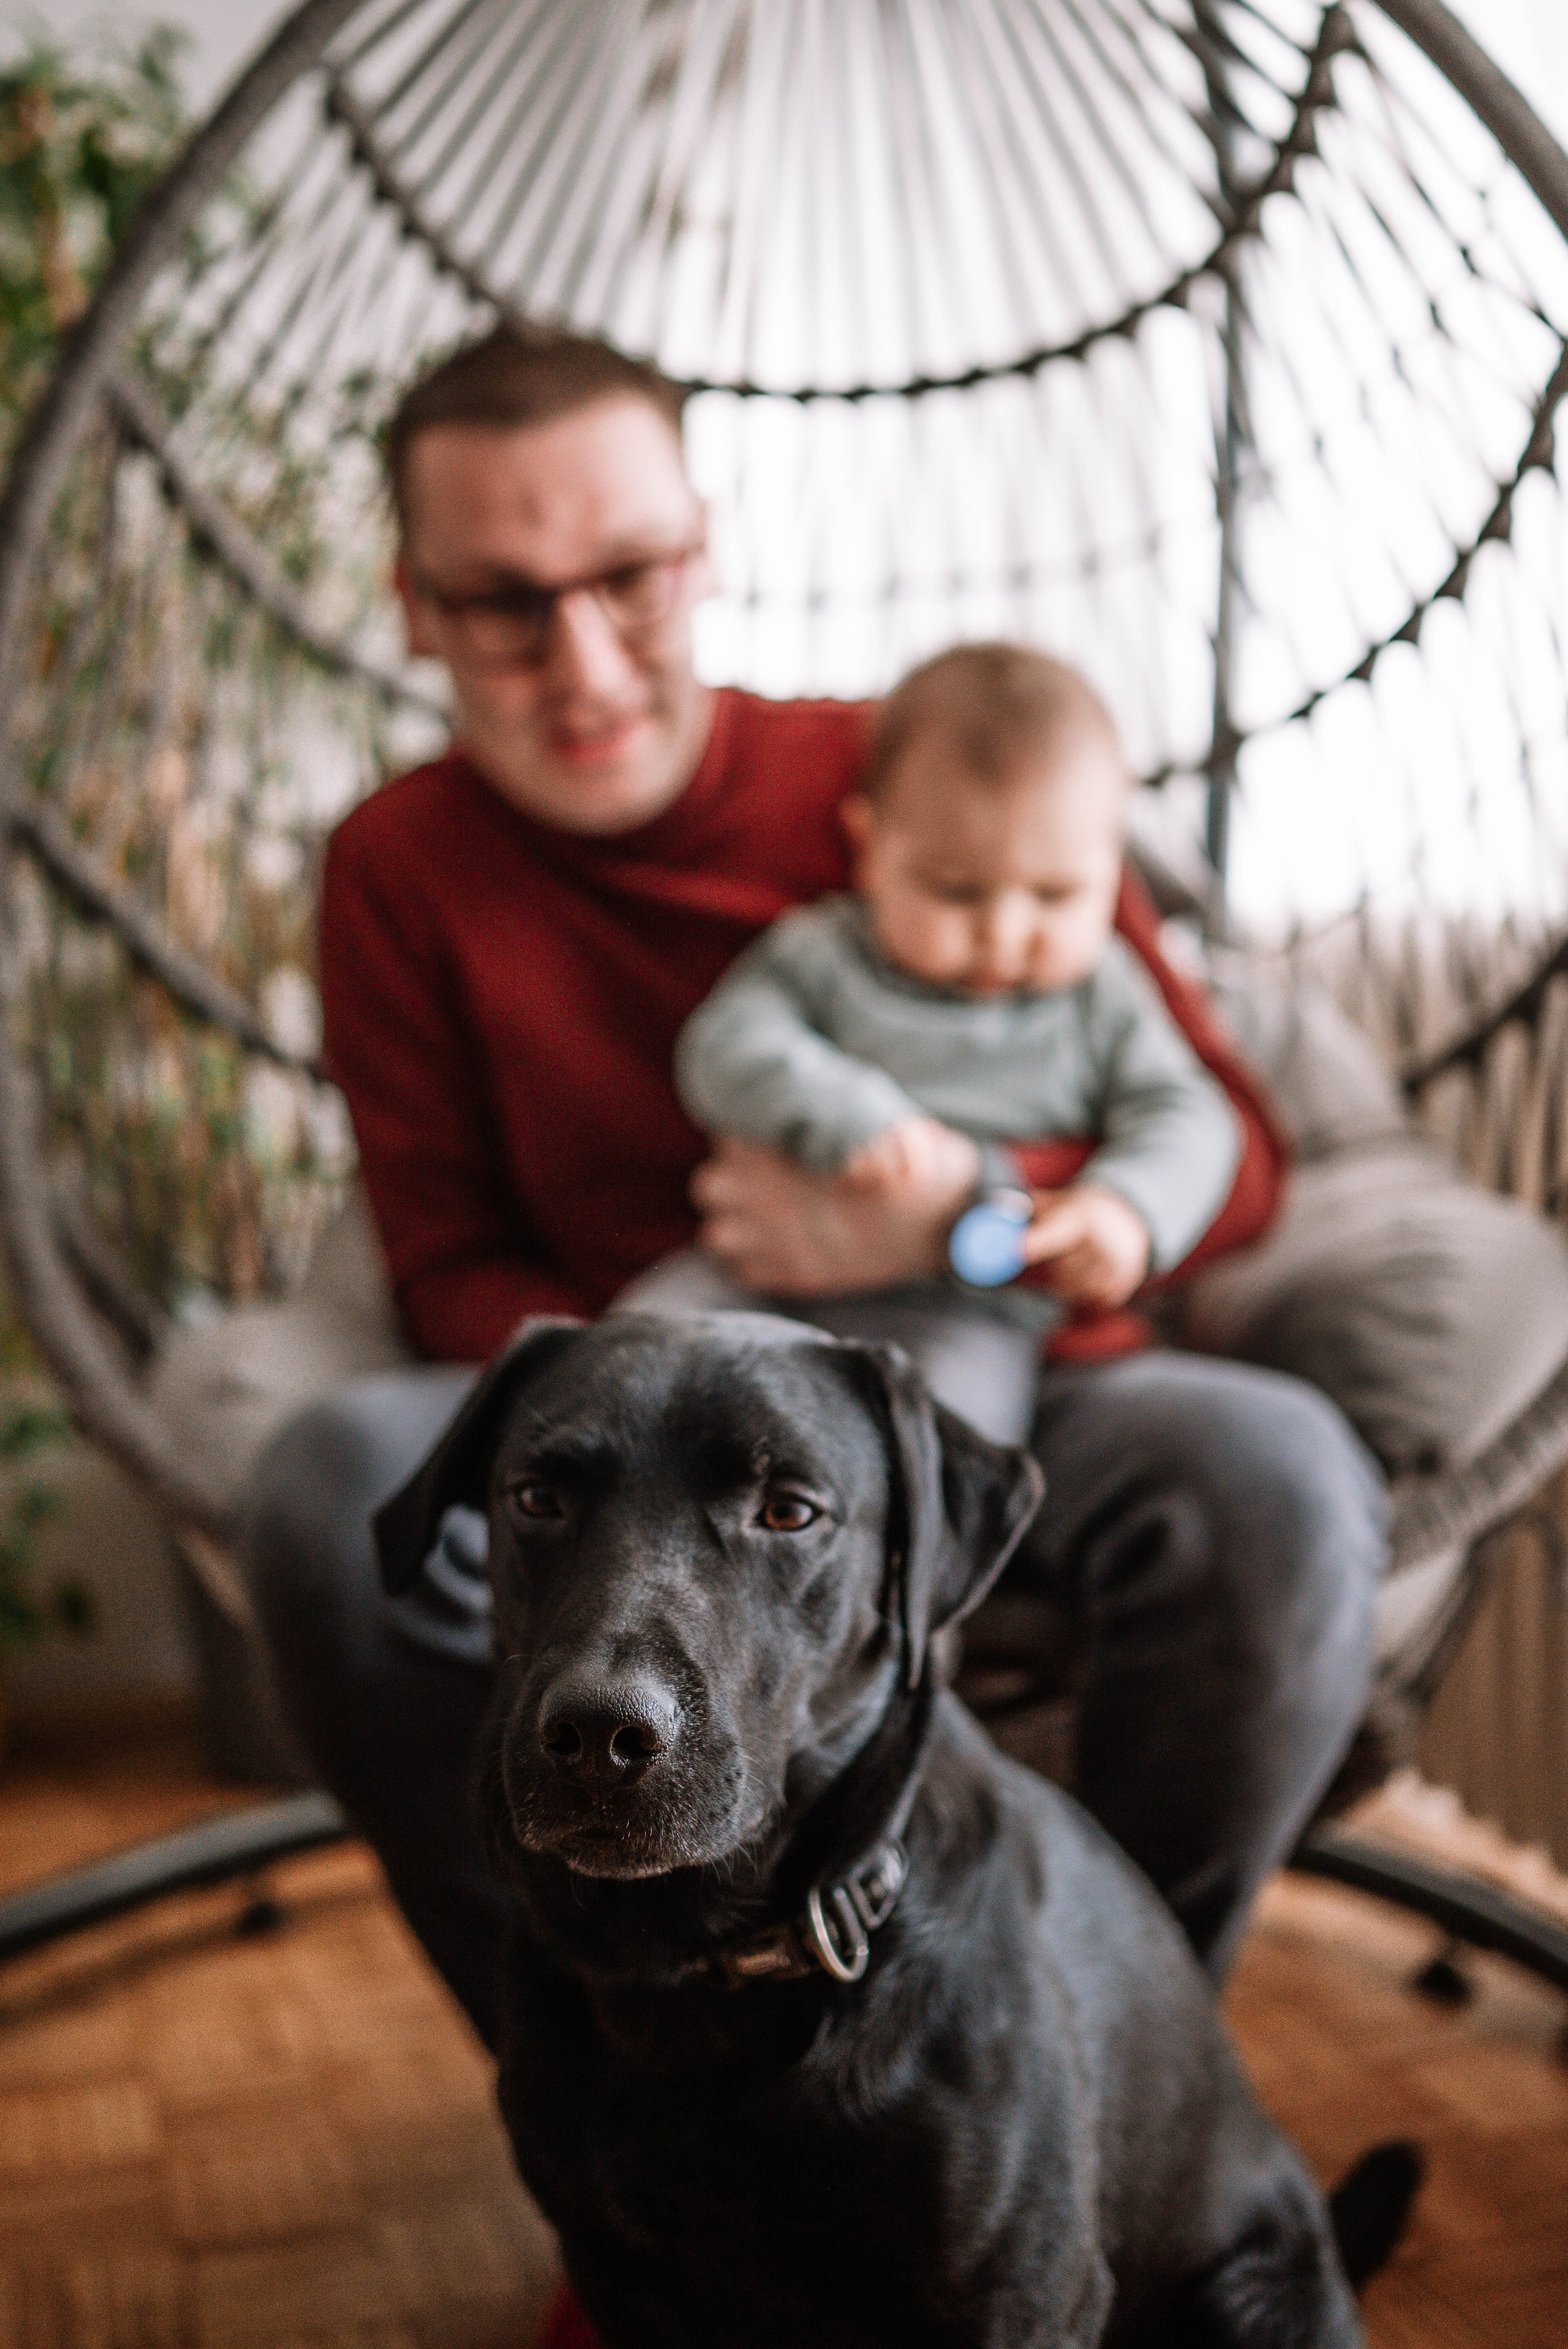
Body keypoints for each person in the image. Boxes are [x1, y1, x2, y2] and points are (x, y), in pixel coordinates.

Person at [244, 323, 1385, 2051]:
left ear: (701, 550)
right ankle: (605, 2089)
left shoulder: (916, 767)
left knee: (1281, 1474)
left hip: (994, 1387)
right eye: (500, 600)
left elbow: (1230, 1158)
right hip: (631, 1399)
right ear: (410, 601)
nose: (584, 659)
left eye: (630, 577)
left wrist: (962, 1225)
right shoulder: (396, 871)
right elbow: (448, 1260)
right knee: (330, 1491)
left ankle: (1105, 2074)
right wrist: (632, 1394)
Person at [641, 641, 1240, 1443]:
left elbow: (1193, 1113)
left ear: (1112, 869)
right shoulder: (826, 953)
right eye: (955, 889)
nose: (1003, 933)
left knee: (943, 1441)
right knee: (635, 1357)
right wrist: (847, 1111)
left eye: (1056, 894)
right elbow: (722, 1047)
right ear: (870, 849)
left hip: (968, 1313)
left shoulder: (1102, 994)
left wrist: (1126, 1208)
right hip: (760, 1274)